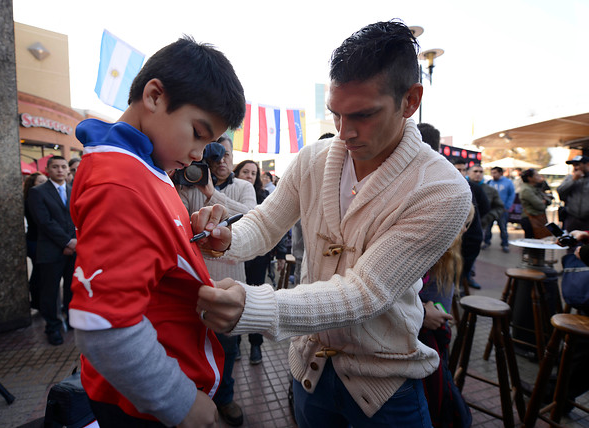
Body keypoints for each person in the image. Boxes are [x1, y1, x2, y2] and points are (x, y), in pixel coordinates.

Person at [194, 21, 471, 427]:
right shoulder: (314, 158)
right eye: (336, 115)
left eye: (364, 114)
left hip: (385, 386)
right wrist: (225, 238)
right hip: (310, 371)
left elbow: (364, 294)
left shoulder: (443, 189)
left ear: (410, 100)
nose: (345, 132)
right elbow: (266, 224)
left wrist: (254, 306)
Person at [68, 36, 246, 427]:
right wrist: (178, 401)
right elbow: (105, 327)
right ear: (154, 96)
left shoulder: (146, 166)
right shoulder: (121, 181)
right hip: (142, 404)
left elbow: (150, 259)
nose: (200, 154)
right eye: (198, 133)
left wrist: (189, 235)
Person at [178, 135, 256, 427]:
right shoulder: (188, 187)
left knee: (227, 349)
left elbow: (250, 219)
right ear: (204, 159)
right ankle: (195, 399)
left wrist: (211, 192)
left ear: (233, 156)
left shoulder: (244, 187)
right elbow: (180, 229)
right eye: (214, 156)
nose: (221, 161)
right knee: (190, 346)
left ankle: (225, 398)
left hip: (232, 282)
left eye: (226, 155)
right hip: (197, 283)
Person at [419, 204, 474, 428]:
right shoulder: (424, 249)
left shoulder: (450, 253)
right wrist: (421, 312)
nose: (463, 229)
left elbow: (442, 306)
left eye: (466, 224)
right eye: (460, 222)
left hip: (431, 338)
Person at [232, 159, 288, 365]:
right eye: (245, 171)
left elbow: (279, 227)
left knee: (253, 297)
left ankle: (256, 345)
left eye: (253, 173)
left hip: (258, 258)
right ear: (236, 173)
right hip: (234, 258)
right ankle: (235, 342)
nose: (249, 176)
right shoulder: (228, 192)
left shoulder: (264, 197)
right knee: (235, 294)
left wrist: (281, 254)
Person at [27, 156, 76, 346]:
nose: (60, 170)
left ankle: (72, 321)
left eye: (63, 167)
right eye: (55, 167)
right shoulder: (37, 192)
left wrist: (73, 243)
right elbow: (44, 222)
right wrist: (67, 242)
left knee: (72, 288)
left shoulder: (73, 191)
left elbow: (76, 219)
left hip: (73, 250)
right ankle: (53, 328)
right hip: (51, 250)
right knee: (50, 292)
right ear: (48, 169)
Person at [452, 158, 488, 290]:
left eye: (463, 170)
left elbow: (485, 207)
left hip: (472, 236)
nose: (460, 172)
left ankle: (465, 282)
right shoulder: (447, 187)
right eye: (457, 169)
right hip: (454, 239)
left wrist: (473, 222)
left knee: (466, 266)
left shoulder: (475, 188)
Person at [23, 172, 48, 310]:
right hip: (35, 241)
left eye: (46, 181)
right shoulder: (30, 201)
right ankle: (37, 301)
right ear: (33, 184)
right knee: (38, 272)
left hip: (38, 240)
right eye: (41, 181)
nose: (45, 184)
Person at [468, 165, 506, 250]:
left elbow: (499, 207)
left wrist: (488, 217)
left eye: (481, 172)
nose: (478, 174)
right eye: (475, 171)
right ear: (469, 173)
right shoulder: (462, 187)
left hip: (481, 226)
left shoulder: (490, 190)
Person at [485, 166, 515, 252]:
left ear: (500, 173)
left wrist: (507, 206)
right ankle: (486, 242)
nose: (493, 175)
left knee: (503, 228)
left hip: (502, 210)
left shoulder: (508, 182)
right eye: (492, 173)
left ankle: (505, 244)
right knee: (488, 227)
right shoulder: (489, 182)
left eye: (495, 173)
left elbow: (511, 195)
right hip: (490, 210)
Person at [557, 155, 589, 232]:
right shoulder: (570, 178)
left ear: (587, 164)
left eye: (577, 165)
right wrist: (573, 180)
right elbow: (560, 192)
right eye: (574, 165)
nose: (575, 168)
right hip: (572, 218)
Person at [519, 168, 552, 238]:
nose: (539, 177)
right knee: (532, 243)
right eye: (536, 175)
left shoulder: (534, 187)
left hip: (537, 219)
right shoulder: (526, 190)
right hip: (531, 220)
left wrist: (545, 202)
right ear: (530, 178)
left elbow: (548, 200)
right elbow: (540, 206)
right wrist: (544, 202)